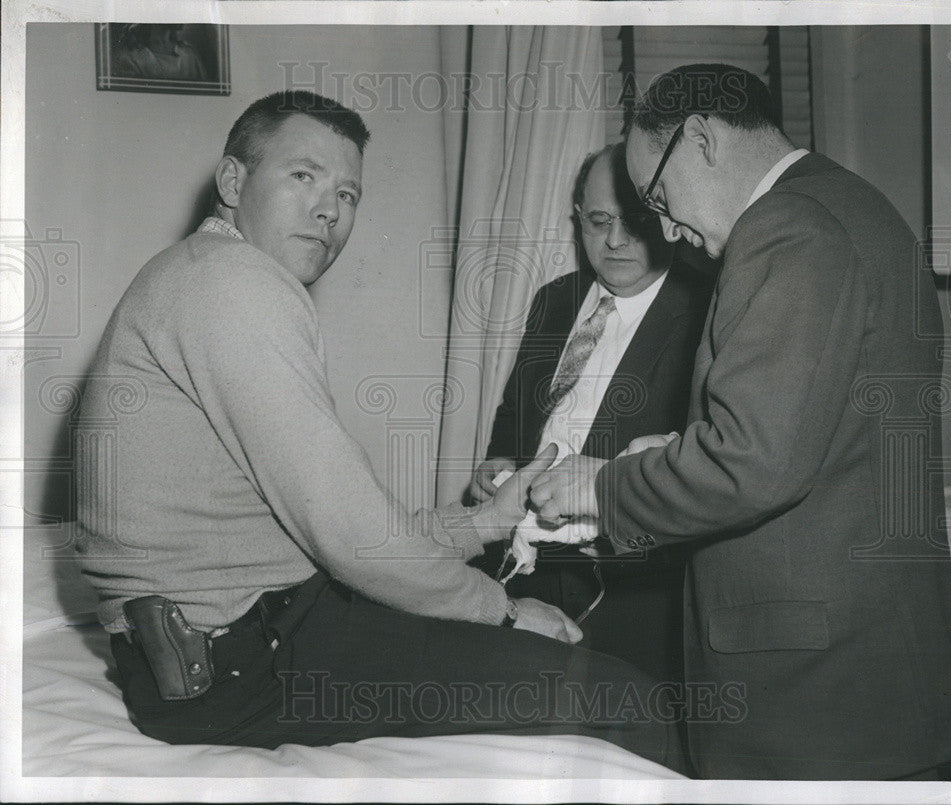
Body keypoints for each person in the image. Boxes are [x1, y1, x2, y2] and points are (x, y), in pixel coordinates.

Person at [73, 91, 683, 769]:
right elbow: (352, 540)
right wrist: (504, 611)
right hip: (250, 665)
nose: (329, 209)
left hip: (234, 645)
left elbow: (330, 529)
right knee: (625, 698)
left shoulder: (195, 273)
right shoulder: (235, 287)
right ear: (233, 181)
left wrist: (481, 524)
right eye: (302, 176)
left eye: (348, 193)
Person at [528, 64, 951, 780]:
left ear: (700, 140)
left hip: (813, 693)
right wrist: (682, 449)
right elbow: (826, 436)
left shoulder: (784, 227)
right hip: (875, 672)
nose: (668, 230)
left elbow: (753, 461)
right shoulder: (857, 207)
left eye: (659, 198)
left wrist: (604, 485)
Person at [468, 142, 714, 681]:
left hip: (630, 582)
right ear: (578, 218)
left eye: (637, 222)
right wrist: (498, 462)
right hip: (529, 564)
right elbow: (516, 412)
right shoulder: (557, 299)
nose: (617, 240)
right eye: (600, 221)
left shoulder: (705, 311)